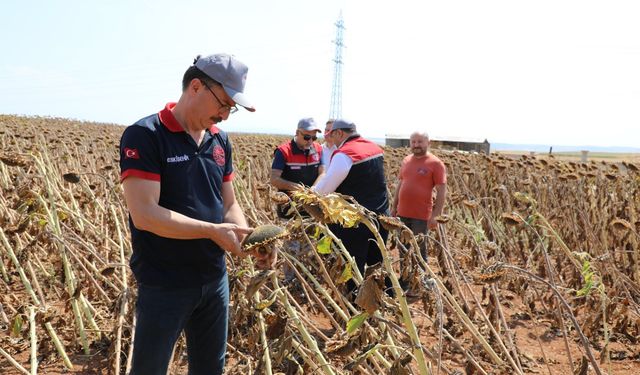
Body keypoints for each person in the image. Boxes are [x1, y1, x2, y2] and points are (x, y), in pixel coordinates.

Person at [119, 53, 274, 375]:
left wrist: (247, 239)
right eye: (224, 103)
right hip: (165, 281)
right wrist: (212, 231)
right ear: (196, 86)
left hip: (213, 278)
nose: (226, 115)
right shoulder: (146, 135)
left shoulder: (220, 140)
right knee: (150, 368)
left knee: (209, 367)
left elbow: (229, 204)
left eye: (232, 108)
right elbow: (145, 214)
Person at [313, 119, 390, 294]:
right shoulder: (374, 148)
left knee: (354, 268)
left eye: (332, 134)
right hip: (380, 217)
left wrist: (310, 195)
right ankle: (378, 304)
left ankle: (356, 308)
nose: (331, 139)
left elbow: (325, 188)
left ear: (340, 133)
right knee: (376, 267)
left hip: (355, 223)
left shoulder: (345, 154)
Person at [391, 131, 447, 259]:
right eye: (413, 142)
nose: (416, 145)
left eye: (420, 142)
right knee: (403, 248)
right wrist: (394, 207)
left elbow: (442, 191)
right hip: (402, 213)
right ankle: (404, 279)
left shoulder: (436, 163)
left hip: (421, 216)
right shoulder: (406, 160)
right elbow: (401, 184)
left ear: (428, 142)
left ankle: (422, 278)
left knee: (419, 250)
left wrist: (436, 216)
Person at [270, 117, 325, 218]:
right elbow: (274, 179)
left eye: (314, 138)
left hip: (313, 206)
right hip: (289, 206)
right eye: (307, 137)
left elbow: (322, 172)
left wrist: (313, 189)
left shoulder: (318, 149)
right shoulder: (283, 151)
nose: (310, 141)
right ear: (297, 133)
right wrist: (296, 188)